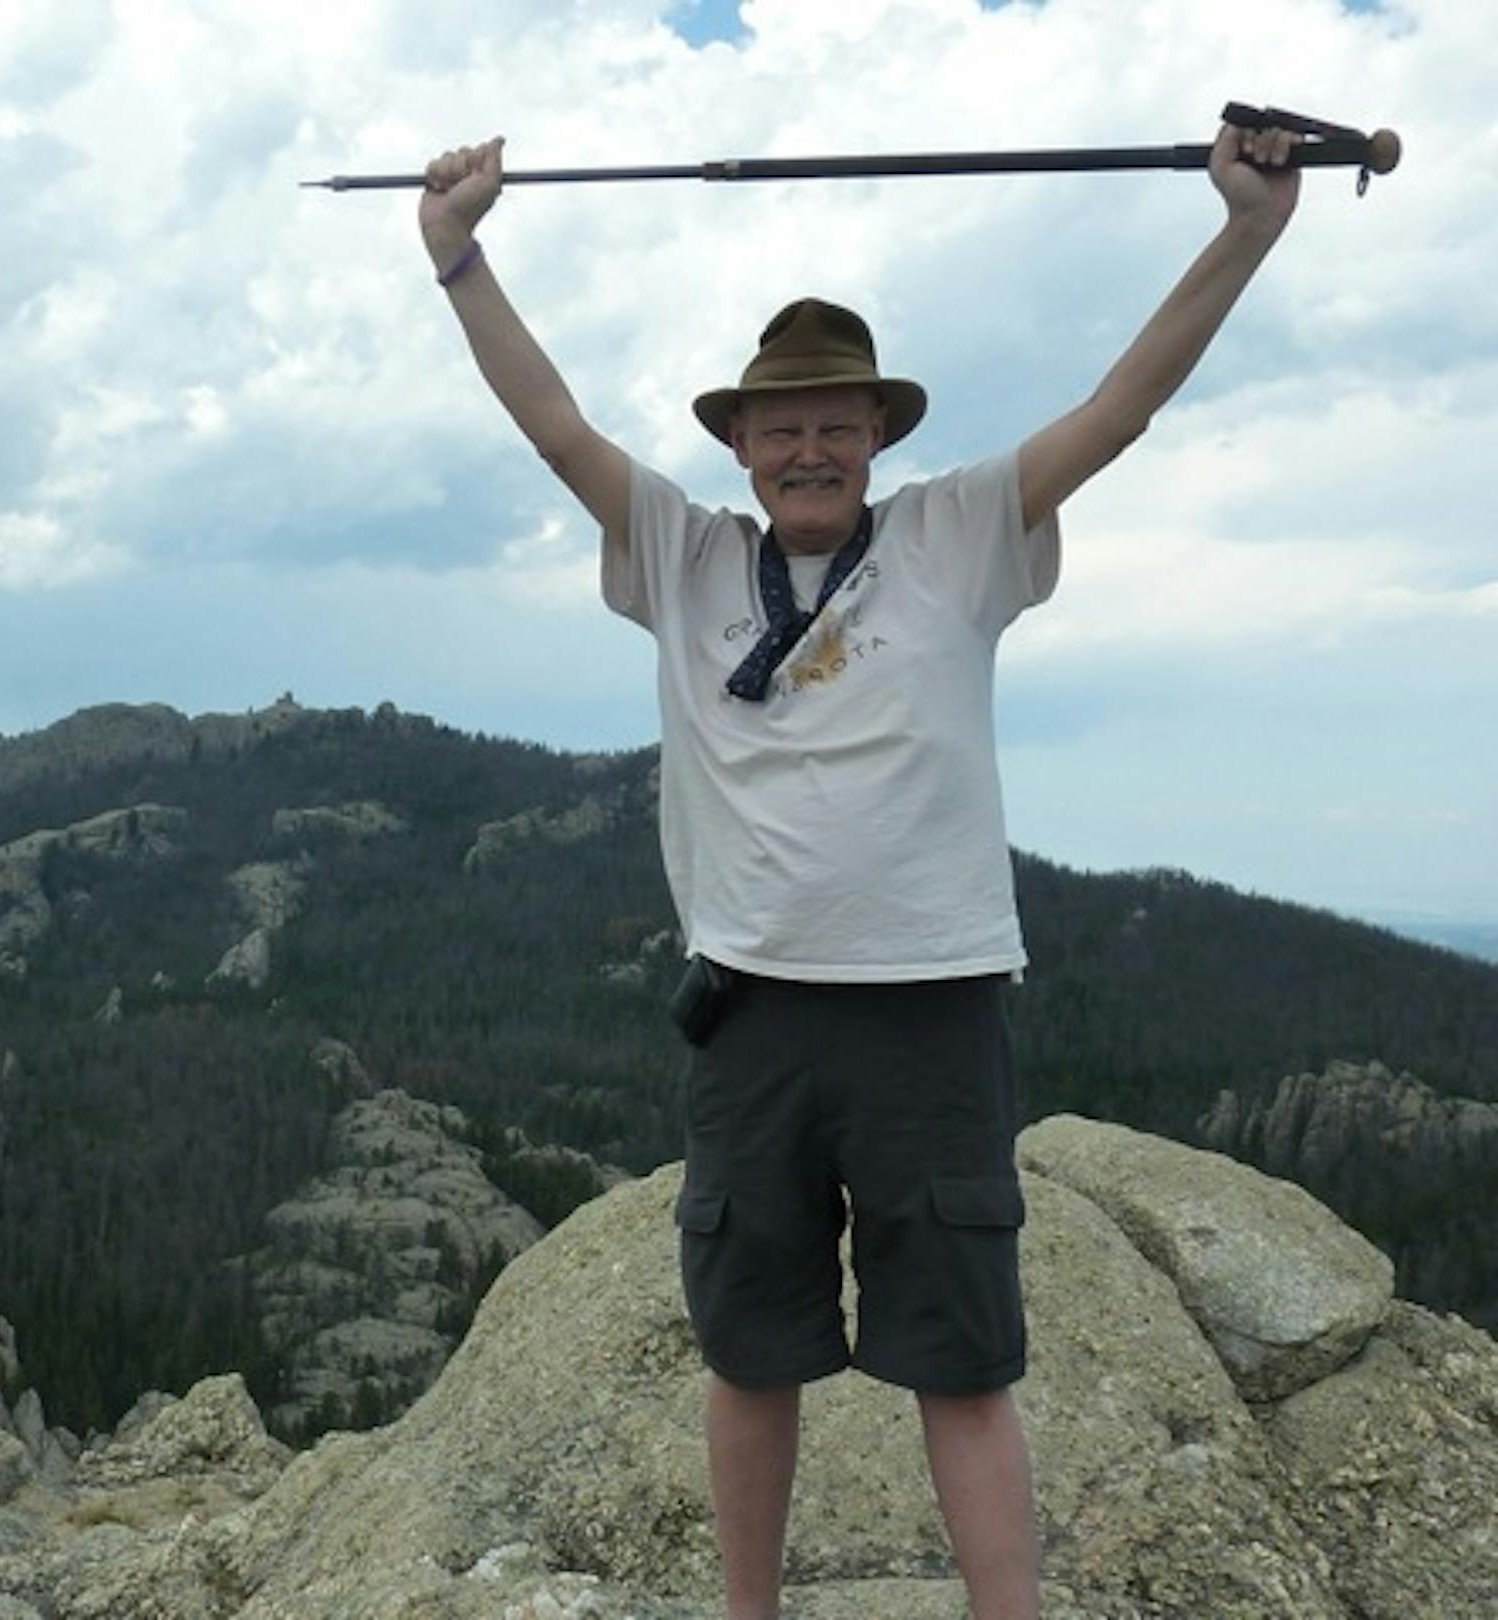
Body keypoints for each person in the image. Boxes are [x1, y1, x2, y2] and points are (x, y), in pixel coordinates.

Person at [418, 119, 1301, 1620]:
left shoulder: (963, 532)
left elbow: (1125, 404)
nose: (809, 448)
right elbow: (552, 422)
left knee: (962, 1358)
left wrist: (1247, 231)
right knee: (751, 1352)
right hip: (751, 1017)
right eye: (780, 428)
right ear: (741, 450)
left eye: (835, 422)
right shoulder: (683, 554)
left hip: (933, 1008)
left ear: (876, 436)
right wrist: (459, 257)